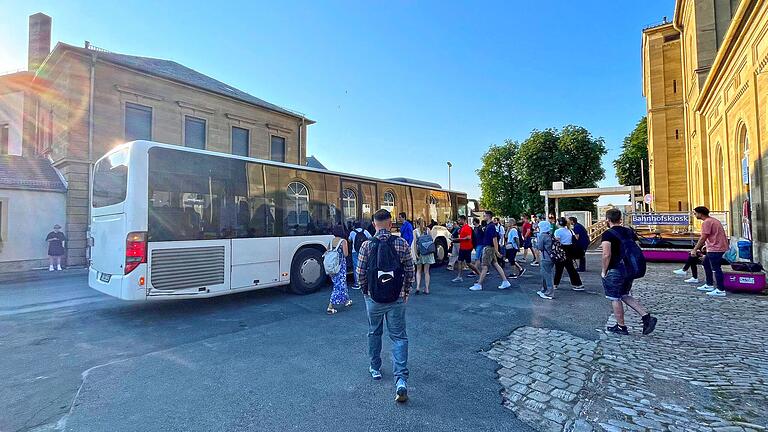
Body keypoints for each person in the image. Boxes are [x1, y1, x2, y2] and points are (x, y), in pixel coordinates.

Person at [356, 209, 415, 402]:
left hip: (374, 299)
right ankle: (400, 381)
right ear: (390, 224)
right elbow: (409, 270)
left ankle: (375, 368)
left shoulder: (366, 245)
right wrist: (405, 292)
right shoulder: (401, 243)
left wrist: (366, 292)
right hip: (396, 298)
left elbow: (360, 274)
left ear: (374, 224)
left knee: (374, 331)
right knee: (399, 337)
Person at [600, 209, 658, 335]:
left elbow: (606, 254)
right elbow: (637, 247)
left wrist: (604, 270)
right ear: (620, 219)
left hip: (616, 268)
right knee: (624, 294)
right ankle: (646, 316)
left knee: (615, 297)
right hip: (629, 268)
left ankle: (621, 326)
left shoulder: (607, 234)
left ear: (607, 220)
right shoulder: (629, 231)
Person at [691, 206, 729, 297]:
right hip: (715, 247)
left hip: (715, 248)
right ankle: (709, 284)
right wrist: (706, 245)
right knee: (706, 263)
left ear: (700, 213)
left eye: (695, 213)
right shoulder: (713, 220)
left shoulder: (707, 222)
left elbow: (703, 237)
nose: (695, 215)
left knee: (716, 269)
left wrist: (695, 249)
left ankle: (720, 289)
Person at [469, 211, 512, 291]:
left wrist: (497, 251)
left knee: (484, 266)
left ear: (488, 216)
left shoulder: (491, 226)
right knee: (495, 264)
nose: (483, 216)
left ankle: (479, 284)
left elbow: (494, 238)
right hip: (489, 248)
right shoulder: (489, 226)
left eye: (484, 215)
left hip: (488, 248)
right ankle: (505, 281)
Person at [553, 217, 585, 291]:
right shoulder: (569, 230)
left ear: (559, 223)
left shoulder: (558, 231)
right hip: (569, 249)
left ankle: (555, 284)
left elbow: (557, 241)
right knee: (570, 268)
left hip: (561, 249)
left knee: (559, 268)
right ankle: (577, 284)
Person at [327, 225, 352, 314]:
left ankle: (346, 300)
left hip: (332, 266)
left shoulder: (331, 241)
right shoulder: (343, 241)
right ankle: (330, 306)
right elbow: (345, 254)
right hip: (340, 265)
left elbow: (327, 251)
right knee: (339, 285)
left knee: (340, 283)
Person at [452, 215, 479, 282]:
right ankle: (459, 276)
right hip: (462, 247)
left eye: (459, 220)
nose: (458, 221)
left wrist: (458, 239)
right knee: (460, 261)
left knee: (468, 263)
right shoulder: (462, 228)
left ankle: (480, 274)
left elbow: (469, 237)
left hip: (467, 247)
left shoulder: (467, 228)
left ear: (463, 220)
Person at [412, 218, 435, 295]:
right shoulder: (428, 230)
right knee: (426, 272)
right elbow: (431, 240)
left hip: (420, 253)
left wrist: (415, 254)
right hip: (428, 253)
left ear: (417, 224)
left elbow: (415, 243)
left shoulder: (415, 231)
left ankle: (418, 287)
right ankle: (427, 289)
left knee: (418, 271)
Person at [349, 222, 372, 289]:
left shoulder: (352, 232)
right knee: (366, 265)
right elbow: (370, 238)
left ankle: (357, 283)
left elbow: (349, 240)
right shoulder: (365, 231)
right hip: (364, 250)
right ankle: (366, 282)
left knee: (356, 266)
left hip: (355, 251)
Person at [536, 221, 556, 299]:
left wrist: (536, 243)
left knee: (547, 275)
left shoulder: (542, 236)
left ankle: (549, 293)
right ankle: (544, 289)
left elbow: (540, 247)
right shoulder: (550, 234)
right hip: (552, 257)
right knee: (546, 273)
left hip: (545, 257)